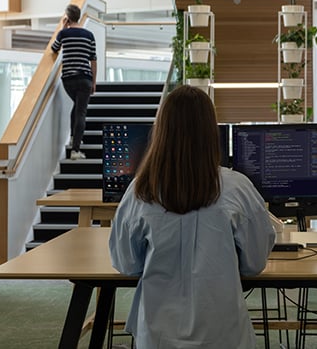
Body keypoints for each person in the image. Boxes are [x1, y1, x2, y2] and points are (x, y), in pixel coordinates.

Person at [109, 85, 276, 349]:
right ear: (211, 132)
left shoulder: (141, 190)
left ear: (161, 131)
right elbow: (254, 263)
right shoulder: (238, 188)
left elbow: (126, 263)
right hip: (223, 336)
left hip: (157, 336)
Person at [51, 4, 97, 160]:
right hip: (84, 78)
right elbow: (93, 60)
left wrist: (63, 28)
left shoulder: (64, 34)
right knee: (81, 111)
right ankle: (76, 150)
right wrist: (94, 81)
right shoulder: (89, 35)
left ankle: (73, 139)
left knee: (77, 108)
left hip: (68, 79)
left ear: (68, 18)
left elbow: (54, 49)